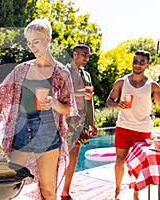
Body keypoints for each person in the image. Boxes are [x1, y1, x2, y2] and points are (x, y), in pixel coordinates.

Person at [0, 18, 77, 200]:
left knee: (48, 191)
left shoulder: (61, 73)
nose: (32, 47)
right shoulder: (21, 69)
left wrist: (55, 104)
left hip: (48, 131)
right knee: (8, 184)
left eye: (37, 42)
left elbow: (69, 108)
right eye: (29, 43)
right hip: (22, 129)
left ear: (48, 38)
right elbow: (1, 95)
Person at [106, 50, 160, 200]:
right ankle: (117, 191)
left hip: (143, 129)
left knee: (138, 164)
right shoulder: (121, 82)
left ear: (147, 64)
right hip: (123, 126)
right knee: (119, 161)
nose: (137, 64)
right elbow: (109, 101)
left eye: (142, 62)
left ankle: (135, 194)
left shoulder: (153, 86)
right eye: (135, 61)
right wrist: (117, 105)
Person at [61, 44, 97, 200]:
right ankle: (51, 187)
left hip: (81, 119)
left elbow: (90, 101)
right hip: (66, 118)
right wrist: (82, 92)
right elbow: (59, 93)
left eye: (88, 55)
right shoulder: (64, 72)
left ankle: (65, 191)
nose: (86, 58)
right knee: (61, 154)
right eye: (83, 54)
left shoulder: (86, 75)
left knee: (74, 154)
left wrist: (91, 122)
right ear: (74, 54)